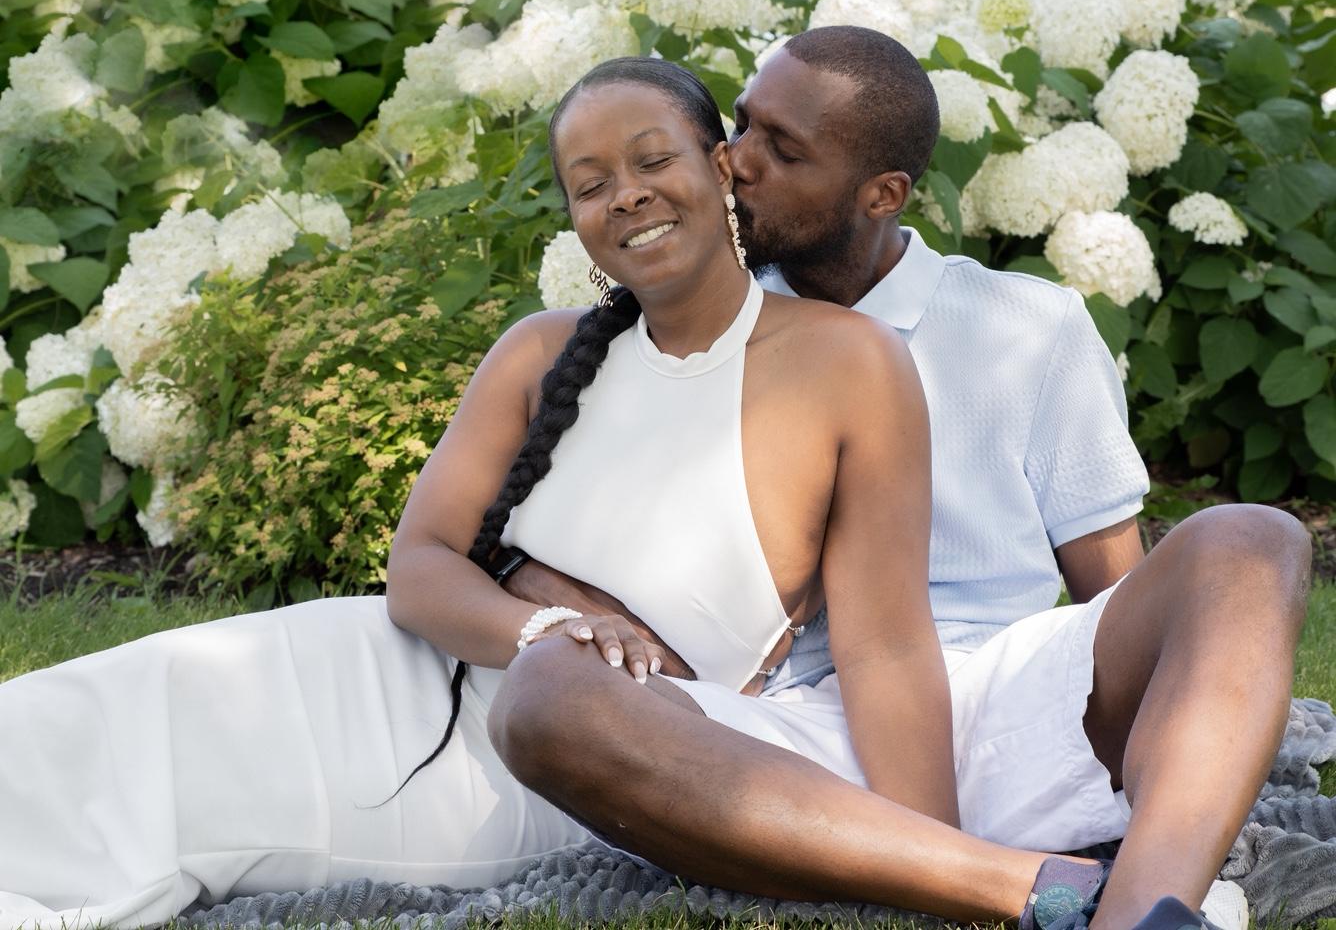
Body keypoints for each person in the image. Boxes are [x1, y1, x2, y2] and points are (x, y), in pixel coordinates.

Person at [0, 57, 1058, 929]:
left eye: (653, 160)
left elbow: (884, 645)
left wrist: (938, 862)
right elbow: (418, 570)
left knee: (164, 813)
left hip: (510, 766)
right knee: (78, 716)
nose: (626, 194)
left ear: (721, 166)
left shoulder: (852, 363)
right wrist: (546, 623)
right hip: (353, 663)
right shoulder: (537, 351)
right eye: (590, 184)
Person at [487, 31, 1313, 930]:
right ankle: (1022, 885)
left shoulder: (1028, 325)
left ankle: (1142, 913)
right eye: (744, 126)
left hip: (1014, 705)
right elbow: (530, 525)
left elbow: (1119, 595)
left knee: (1252, 540)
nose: (738, 162)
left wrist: (1188, 700)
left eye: (783, 150)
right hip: (776, 749)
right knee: (547, 695)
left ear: (881, 194)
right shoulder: (696, 320)